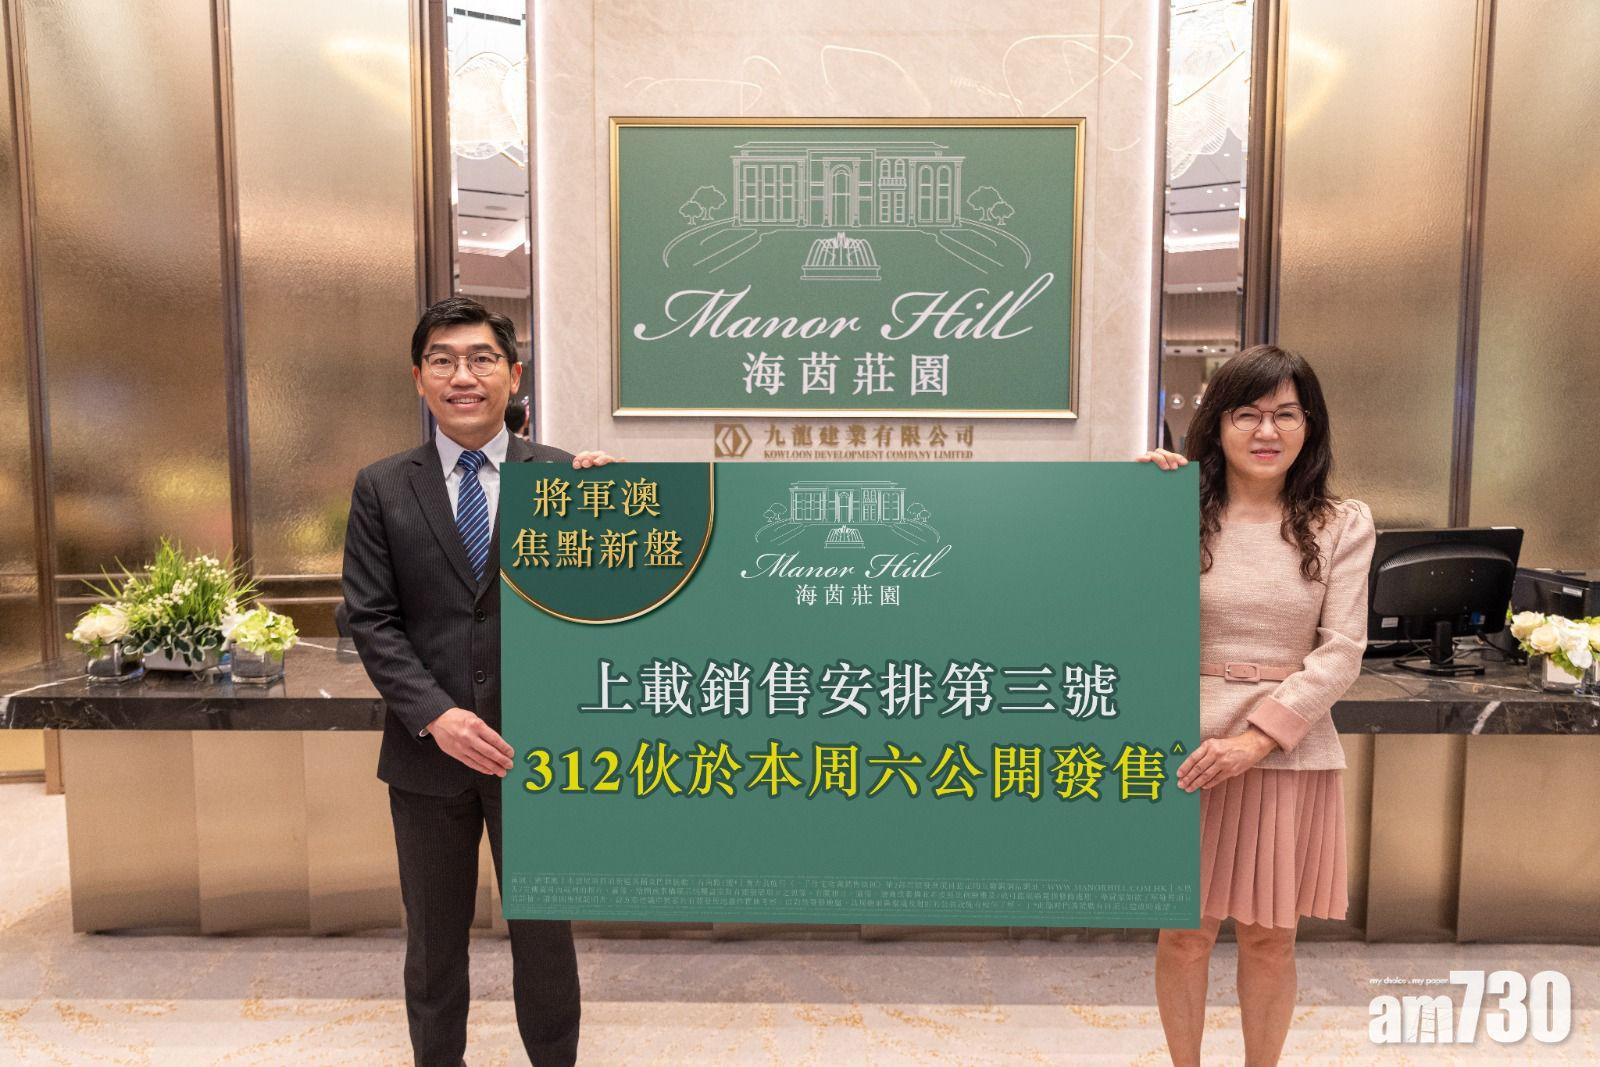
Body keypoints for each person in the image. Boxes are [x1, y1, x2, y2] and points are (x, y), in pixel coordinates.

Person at [342, 296, 618, 1067]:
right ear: (418, 378)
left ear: (513, 374)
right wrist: (438, 715)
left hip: (538, 754)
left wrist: (614, 512)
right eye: (443, 360)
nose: (462, 375)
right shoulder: (381, 486)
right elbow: (371, 619)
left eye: (481, 358)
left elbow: (605, 607)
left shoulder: (563, 476)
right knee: (434, 941)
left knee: (546, 937)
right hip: (428, 756)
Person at [1137, 344, 1374, 1067]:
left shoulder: (1341, 523)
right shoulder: (1175, 510)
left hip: (1287, 751)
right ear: (1218, 423)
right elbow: (1111, 605)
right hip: (1189, 751)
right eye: (1247, 414)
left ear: (1310, 426)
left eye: (1285, 414)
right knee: (1184, 934)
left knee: (1272, 937)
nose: (1267, 431)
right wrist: (1133, 502)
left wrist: (1259, 737)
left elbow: (1342, 650)